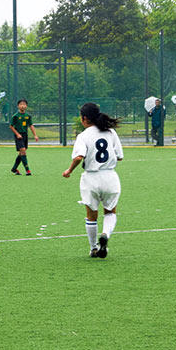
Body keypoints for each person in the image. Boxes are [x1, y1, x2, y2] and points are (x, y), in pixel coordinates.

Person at [62, 103, 123, 259]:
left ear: (84, 118)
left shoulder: (83, 136)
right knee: (110, 211)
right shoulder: (111, 132)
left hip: (91, 178)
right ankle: (105, 234)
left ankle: (94, 248)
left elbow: (79, 157)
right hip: (110, 177)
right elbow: (119, 156)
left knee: (91, 215)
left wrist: (69, 170)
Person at [9, 98, 39, 175]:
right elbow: (11, 126)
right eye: (21, 104)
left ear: (26, 106)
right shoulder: (15, 116)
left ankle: (14, 168)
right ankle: (27, 170)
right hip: (18, 136)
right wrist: (17, 134)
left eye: (24, 104)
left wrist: (35, 135)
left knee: (21, 153)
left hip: (25, 135)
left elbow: (31, 125)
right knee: (23, 151)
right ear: (18, 106)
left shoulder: (28, 116)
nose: (23, 106)